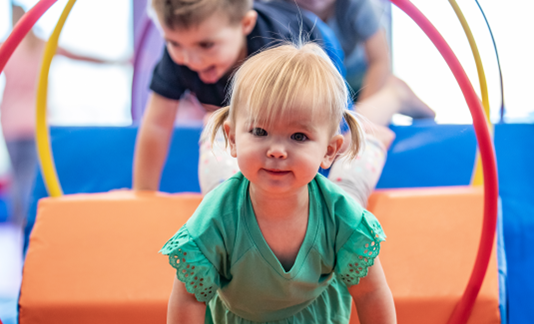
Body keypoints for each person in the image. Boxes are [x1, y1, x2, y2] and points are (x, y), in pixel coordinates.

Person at [152, 42, 414, 324]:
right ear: (234, 137)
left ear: (328, 150)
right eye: (259, 132)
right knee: (218, 181)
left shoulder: (339, 213)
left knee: (351, 186)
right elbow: (188, 294)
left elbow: (370, 292)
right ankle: (211, 136)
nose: (276, 150)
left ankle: (372, 142)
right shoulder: (219, 212)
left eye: (299, 136)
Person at [133, 0, 388, 208]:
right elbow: (156, 124)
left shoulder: (275, 46)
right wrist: (143, 195)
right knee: (222, 126)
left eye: (206, 45)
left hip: (314, 46)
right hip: (243, 100)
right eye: (174, 43)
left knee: (336, 133)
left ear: (245, 24)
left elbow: (292, 131)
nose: (191, 58)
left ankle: (390, 102)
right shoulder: (179, 55)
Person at [0, 4, 120, 225]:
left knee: (18, 177)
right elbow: (79, 56)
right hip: (36, 124)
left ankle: (21, 225)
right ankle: (30, 225)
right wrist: (115, 61)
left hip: (12, 123)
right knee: (32, 179)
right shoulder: (43, 46)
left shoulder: (5, 48)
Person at [284, 0, 436, 128]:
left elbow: (379, 61)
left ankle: (401, 96)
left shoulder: (356, 4)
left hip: (358, 79)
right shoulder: (276, 9)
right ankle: (396, 95)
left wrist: (359, 115)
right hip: (320, 85)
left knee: (359, 126)